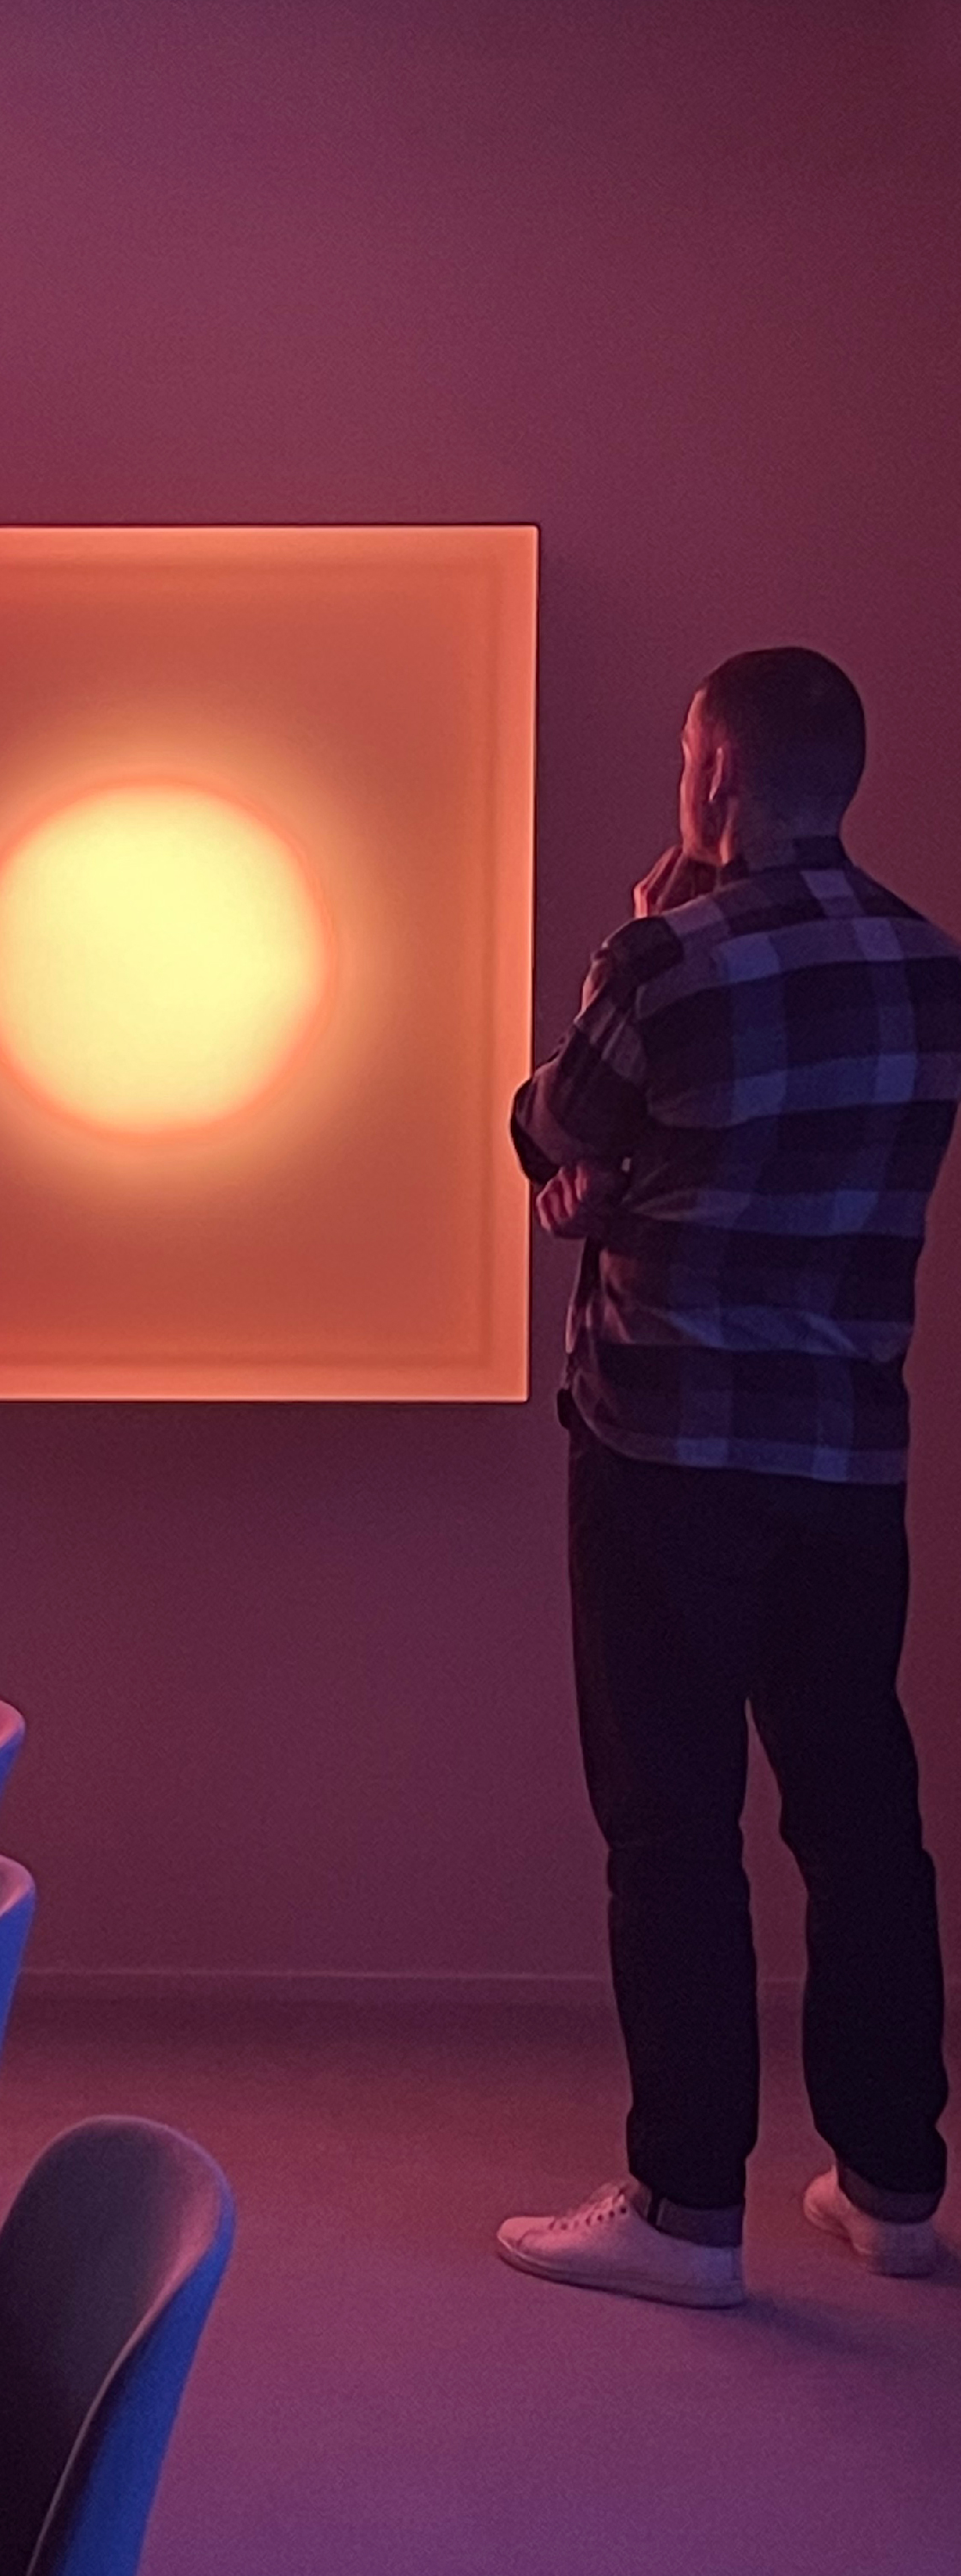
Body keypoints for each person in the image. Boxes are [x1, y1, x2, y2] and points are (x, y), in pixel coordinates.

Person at [497, 646, 961, 2307]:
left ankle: (688, 2206)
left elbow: (548, 1128)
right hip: (847, 1456)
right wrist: (628, 1183)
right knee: (861, 1808)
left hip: (666, 1449)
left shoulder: (664, 958)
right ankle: (895, 2184)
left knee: (671, 1821)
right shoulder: (933, 969)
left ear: (715, 777)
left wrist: (605, 1158)